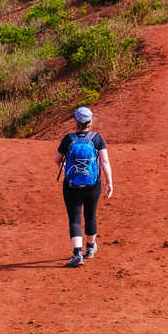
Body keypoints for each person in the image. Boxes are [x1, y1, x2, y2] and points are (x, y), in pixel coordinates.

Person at [55, 105, 114, 267]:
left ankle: (76, 254)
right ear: (90, 122)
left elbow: (56, 159)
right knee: (90, 216)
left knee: (74, 219)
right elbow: (104, 162)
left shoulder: (68, 139)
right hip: (93, 184)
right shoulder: (97, 138)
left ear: (76, 121)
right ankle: (89, 248)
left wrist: (66, 165)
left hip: (71, 185)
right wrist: (109, 182)